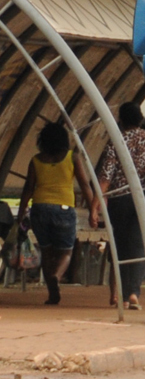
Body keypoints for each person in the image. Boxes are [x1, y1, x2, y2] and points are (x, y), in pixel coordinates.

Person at [17, 121, 97, 305]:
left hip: (40, 208)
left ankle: (53, 294)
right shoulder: (72, 157)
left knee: (47, 252)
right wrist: (94, 208)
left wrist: (22, 211)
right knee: (66, 251)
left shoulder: (36, 160)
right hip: (63, 209)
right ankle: (57, 275)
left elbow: (28, 188)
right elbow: (85, 185)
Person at [93, 102, 145, 310]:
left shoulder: (117, 140)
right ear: (140, 118)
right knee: (140, 244)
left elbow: (106, 174)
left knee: (122, 246)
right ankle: (134, 293)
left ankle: (123, 295)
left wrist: (96, 203)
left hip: (120, 199)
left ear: (121, 120)